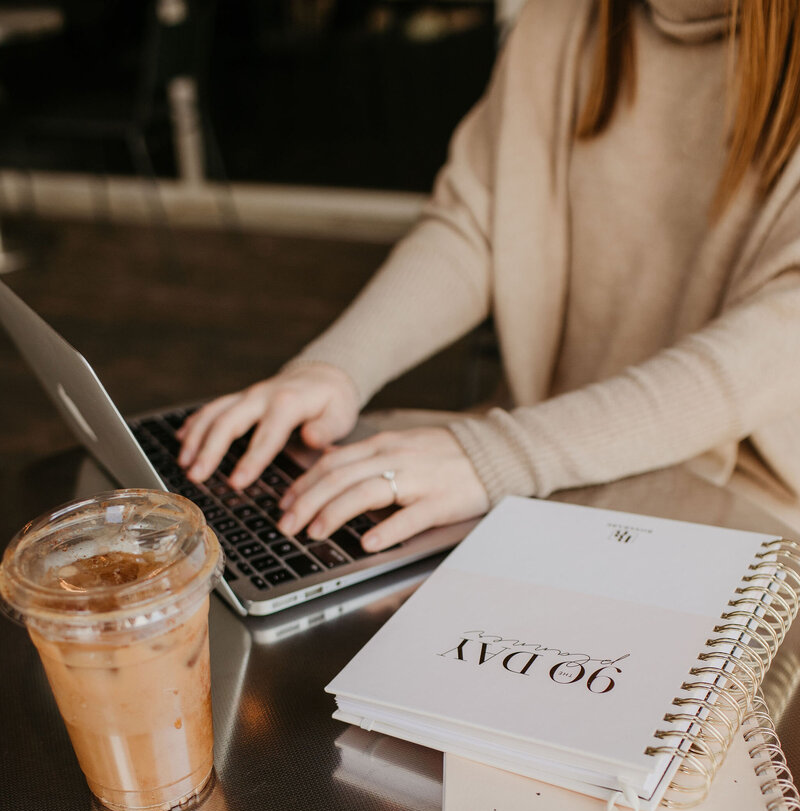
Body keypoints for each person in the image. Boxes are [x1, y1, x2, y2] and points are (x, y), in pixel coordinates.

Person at [177, 0, 800, 549]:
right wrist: (335, 368)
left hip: (740, 506)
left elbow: (767, 351)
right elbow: (477, 224)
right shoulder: (564, 17)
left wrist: (495, 457)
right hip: (544, 455)